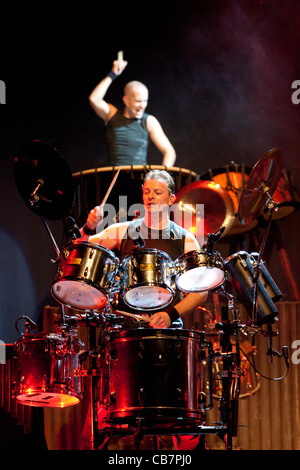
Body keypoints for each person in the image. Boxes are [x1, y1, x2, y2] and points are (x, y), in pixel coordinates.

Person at [79, 170, 207, 450]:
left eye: (157, 192)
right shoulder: (123, 230)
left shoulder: (185, 238)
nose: (149, 196)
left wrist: (171, 314)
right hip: (125, 333)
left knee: (181, 418)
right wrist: (89, 228)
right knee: (102, 418)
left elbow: (202, 291)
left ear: (172, 199)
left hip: (167, 333)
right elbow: (81, 249)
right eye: (146, 192)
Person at [88, 58, 176, 167]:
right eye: (138, 101)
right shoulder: (112, 115)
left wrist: (162, 177)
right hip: (114, 179)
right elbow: (94, 99)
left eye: (145, 101)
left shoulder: (148, 121)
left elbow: (169, 152)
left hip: (138, 178)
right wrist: (113, 74)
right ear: (126, 100)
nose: (142, 105)